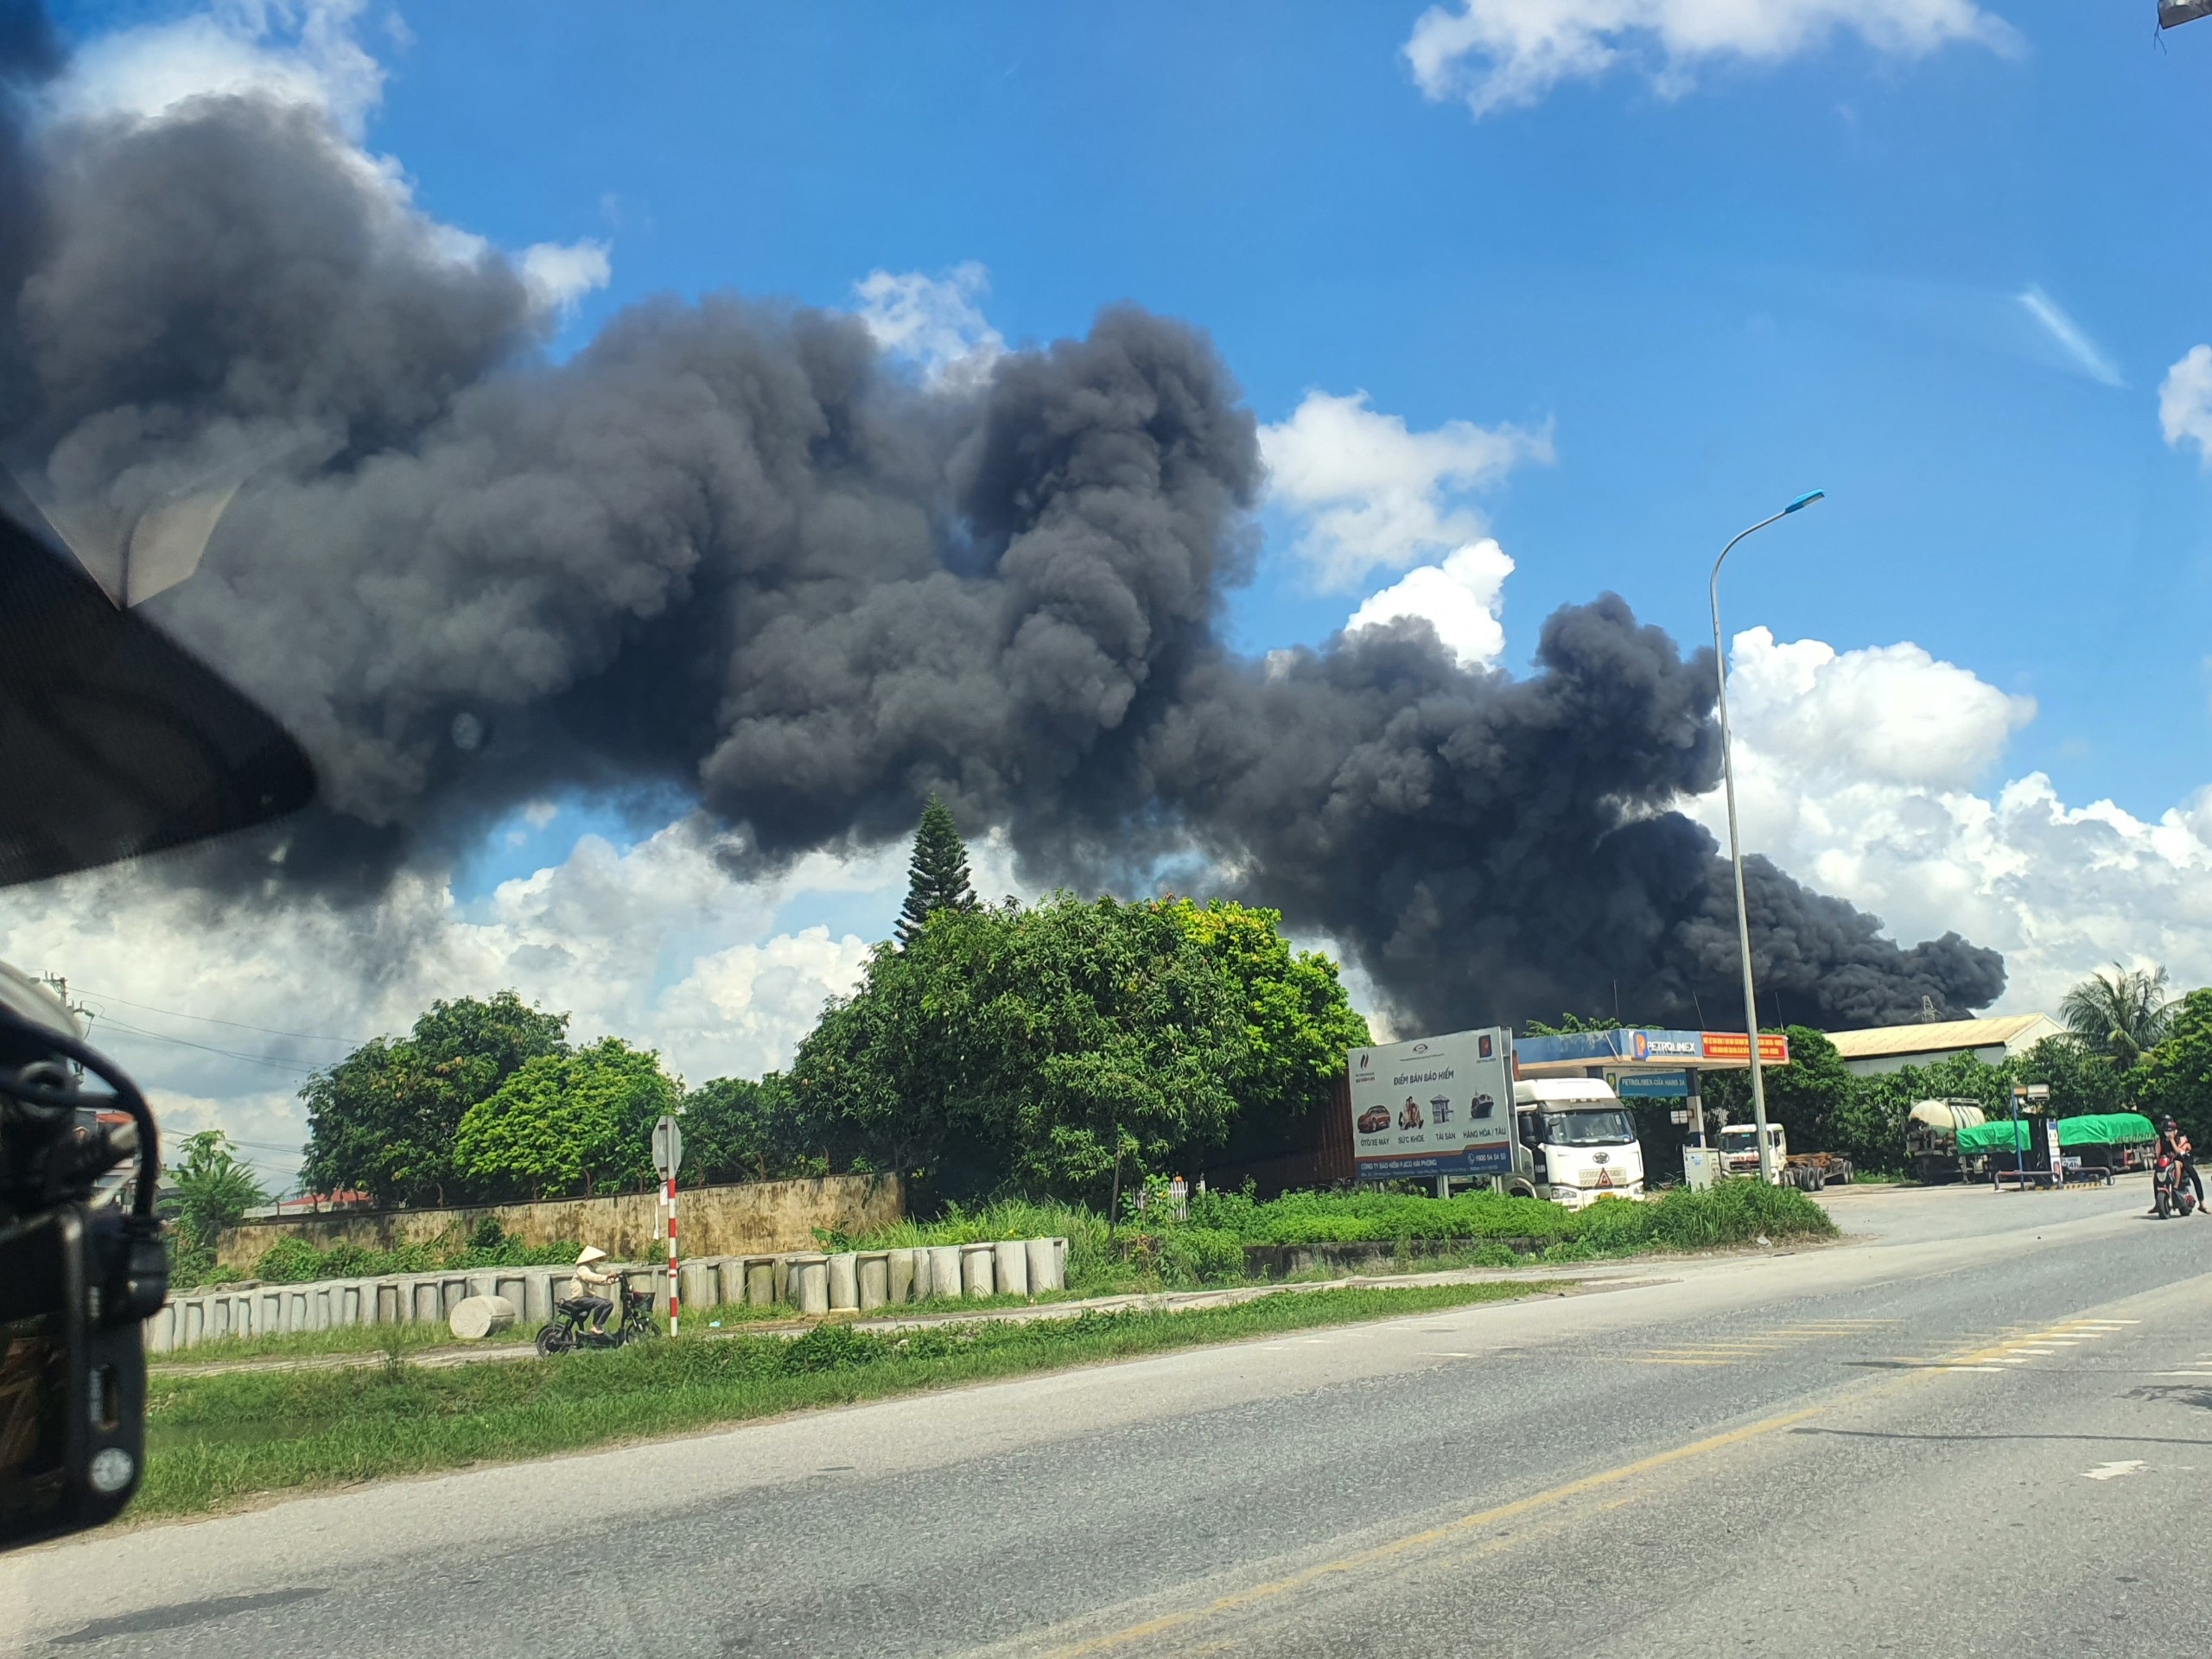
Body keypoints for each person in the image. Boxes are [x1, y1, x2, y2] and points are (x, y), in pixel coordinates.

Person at [2152, 1118, 2204, 1214]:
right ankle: (2157, 1205)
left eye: (2169, 1131)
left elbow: (2179, 1151)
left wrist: (2172, 1140)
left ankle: (2202, 1204)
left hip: (2183, 1160)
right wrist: (2156, 1157)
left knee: (2194, 1177)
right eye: (2166, 1131)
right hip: (2169, 1162)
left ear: (2174, 1129)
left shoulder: (2180, 1137)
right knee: (2156, 1177)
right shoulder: (2162, 1139)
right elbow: (2158, 1152)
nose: (2167, 1133)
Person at [572, 1245, 619, 1334]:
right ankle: (596, 1326)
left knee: (609, 1303)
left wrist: (614, 1280)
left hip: (587, 1297)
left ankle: (598, 1325)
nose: (597, 1260)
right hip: (580, 1298)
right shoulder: (582, 1268)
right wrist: (607, 1276)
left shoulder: (590, 1268)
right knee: (601, 1304)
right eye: (596, 1258)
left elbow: (599, 1281)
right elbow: (592, 1277)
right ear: (590, 1258)